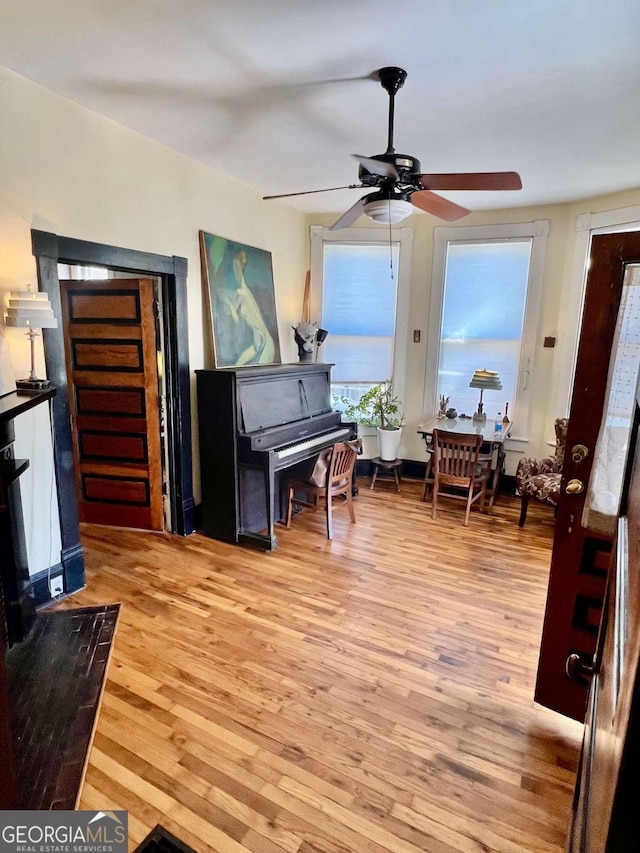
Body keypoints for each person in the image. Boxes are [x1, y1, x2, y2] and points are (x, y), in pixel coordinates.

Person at [215, 250, 276, 366]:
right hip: (260, 335)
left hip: (260, 334)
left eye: (237, 267)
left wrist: (231, 309)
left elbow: (230, 312)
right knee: (242, 362)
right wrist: (232, 309)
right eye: (234, 267)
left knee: (246, 360)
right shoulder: (243, 292)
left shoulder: (243, 293)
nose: (235, 270)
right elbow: (222, 296)